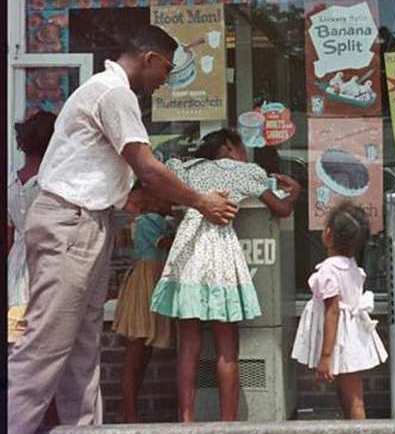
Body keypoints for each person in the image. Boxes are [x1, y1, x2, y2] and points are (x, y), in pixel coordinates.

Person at [7, 25, 238, 434]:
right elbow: (147, 169)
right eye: (165, 72)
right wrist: (201, 202)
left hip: (84, 222)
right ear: (149, 59)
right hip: (70, 224)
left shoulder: (105, 92)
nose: (164, 83)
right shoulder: (115, 93)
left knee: (81, 349)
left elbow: (129, 191)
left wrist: (166, 202)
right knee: (45, 348)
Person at [149, 128, 301, 422]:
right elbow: (280, 209)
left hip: (188, 250)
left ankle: (187, 420)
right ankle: (228, 423)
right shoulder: (245, 172)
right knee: (227, 344)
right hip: (219, 250)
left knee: (189, 341)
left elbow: (162, 188)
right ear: (230, 146)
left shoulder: (187, 169)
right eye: (242, 147)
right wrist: (294, 194)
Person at [291, 200, 388, 420]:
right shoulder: (351, 265)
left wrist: (326, 356)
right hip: (350, 336)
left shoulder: (328, 270)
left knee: (353, 398)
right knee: (349, 393)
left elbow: (332, 313)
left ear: (327, 234)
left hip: (340, 341)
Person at [7, 110, 62, 428]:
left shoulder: (14, 182)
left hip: (17, 267)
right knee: (47, 353)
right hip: (45, 265)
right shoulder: (52, 183)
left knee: (19, 349)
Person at [111, 185, 176, 423]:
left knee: (142, 352)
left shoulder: (159, 219)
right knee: (136, 351)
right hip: (144, 287)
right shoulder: (148, 220)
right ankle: (129, 413)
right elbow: (166, 244)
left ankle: (126, 411)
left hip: (154, 284)